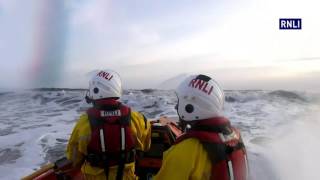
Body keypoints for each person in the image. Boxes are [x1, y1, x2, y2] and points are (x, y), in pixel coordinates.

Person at [154, 74, 248, 180]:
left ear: (190, 107)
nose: (176, 106)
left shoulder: (186, 149)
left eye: (180, 102)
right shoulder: (235, 136)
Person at [66, 69, 151, 180]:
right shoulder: (136, 119)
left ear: (95, 90)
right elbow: (145, 147)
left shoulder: (83, 123)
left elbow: (74, 158)